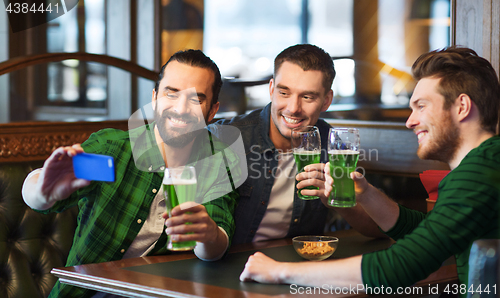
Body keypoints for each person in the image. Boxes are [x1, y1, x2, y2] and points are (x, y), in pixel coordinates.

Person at [239, 46, 500, 297]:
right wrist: (365, 193)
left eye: (421, 106)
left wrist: (279, 271)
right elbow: (423, 231)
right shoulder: (485, 163)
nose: (410, 121)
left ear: (462, 107)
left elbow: (399, 267)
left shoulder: (477, 174)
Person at [22, 49, 240, 298]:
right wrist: (42, 190)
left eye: (196, 99)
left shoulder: (218, 161)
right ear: (155, 97)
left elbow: (216, 245)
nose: (180, 109)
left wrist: (209, 233)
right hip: (86, 293)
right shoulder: (114, 150)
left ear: (212, 111)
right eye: (172, 93)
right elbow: (39, 194)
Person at [210, 44, 382, 245]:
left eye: (307, 97)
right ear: (272, 89)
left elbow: (377, 228)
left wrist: (338, 200)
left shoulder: (334, 145)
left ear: (326, 101)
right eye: (284, 93)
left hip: (300, 264)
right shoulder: (225, 139)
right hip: (233, 264)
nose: (293, 108)